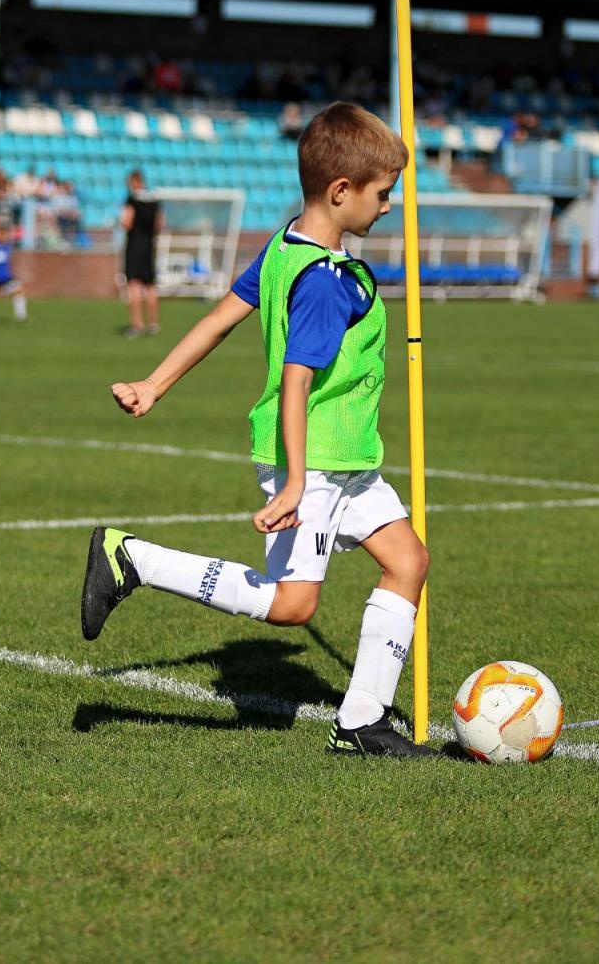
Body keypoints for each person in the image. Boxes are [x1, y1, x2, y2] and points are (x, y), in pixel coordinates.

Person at [81, 102, 437, 760]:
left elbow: (220, 318)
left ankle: (361, 722)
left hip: (349, 460)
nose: (388, 207)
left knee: (409, 561)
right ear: (342, 191)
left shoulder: (284, 246)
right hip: (317, 461)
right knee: (295, 607)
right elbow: (297, 380)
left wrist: (155, 383)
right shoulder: (325, 280)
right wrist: (298, 481)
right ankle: (134, 559)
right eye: (383, 194)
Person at [119, 170, 161, 337]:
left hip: (135, 246)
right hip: (149, 246)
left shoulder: (132, 199)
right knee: (150, 285)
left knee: (134, 285)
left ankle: (137, 324)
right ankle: (154, 323)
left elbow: (127, 222)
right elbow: (159, 224)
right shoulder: (154, 199)